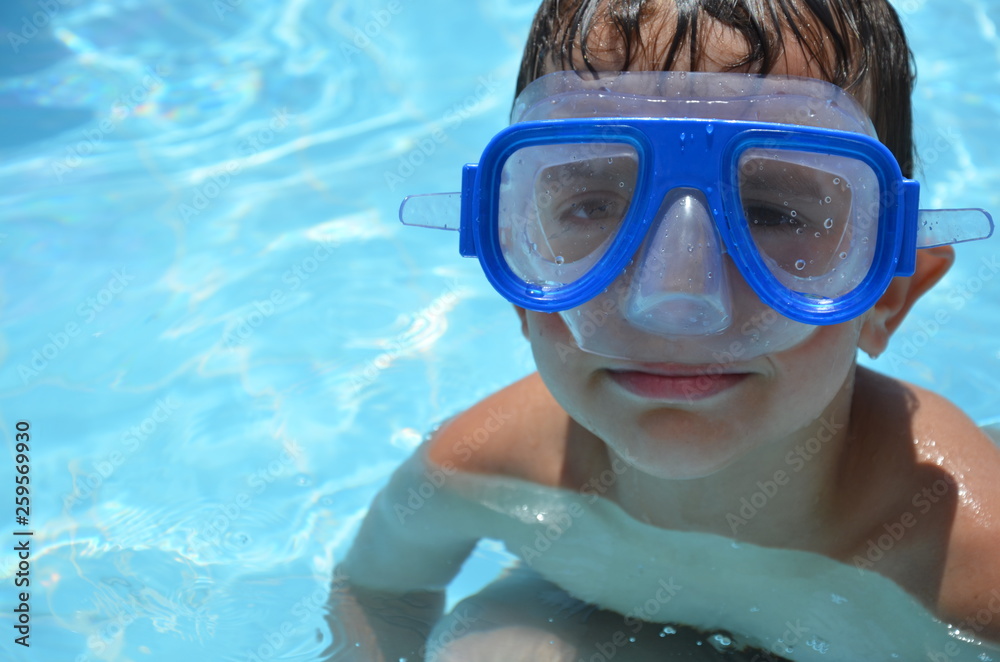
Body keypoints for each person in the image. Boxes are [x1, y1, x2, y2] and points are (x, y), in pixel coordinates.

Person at [327, 0, 1000, 660]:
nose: (676, 300)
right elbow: (379, 594)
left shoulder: (966, 559)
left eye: (773, 212)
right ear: (519, 275)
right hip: (586, 615)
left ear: (887, 295)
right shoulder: (478, 468)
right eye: (593, 204)